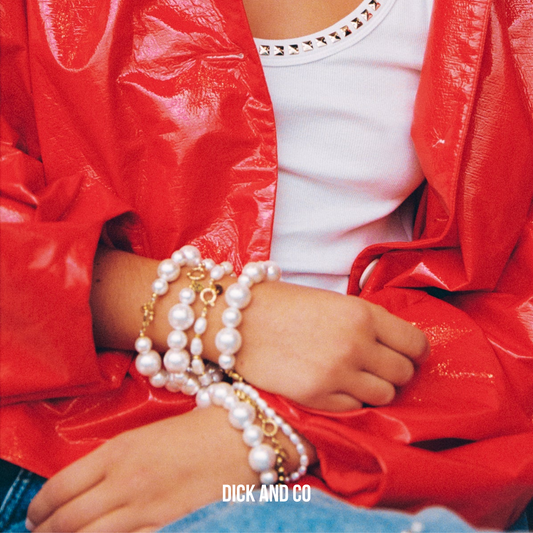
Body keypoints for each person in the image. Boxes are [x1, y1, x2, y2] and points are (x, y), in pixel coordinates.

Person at [1, 0, 532, 531]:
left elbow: (516, 297)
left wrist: (272, 430)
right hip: (66, 455)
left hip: (372, 447)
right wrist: (223, 317)